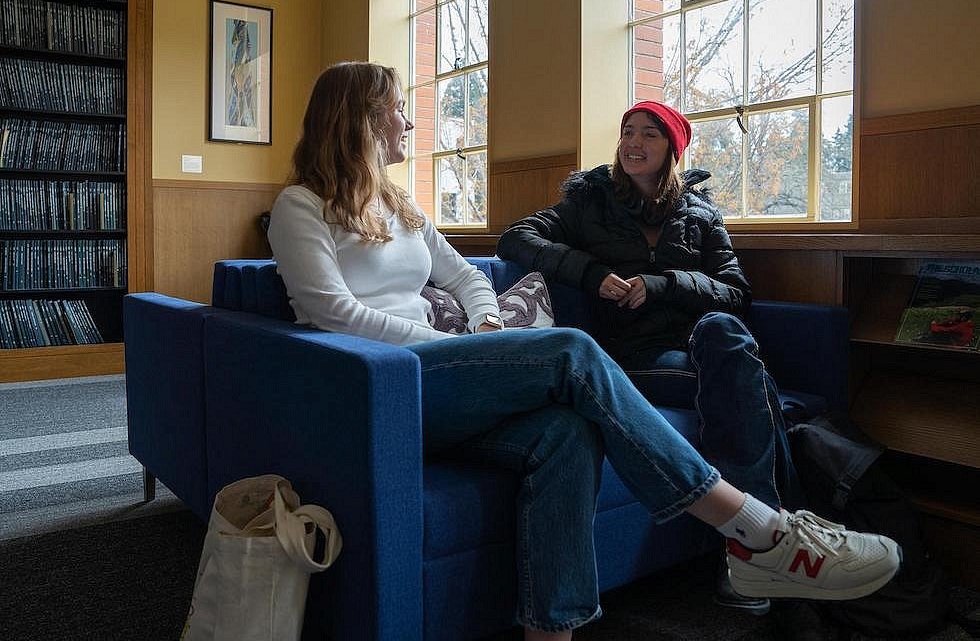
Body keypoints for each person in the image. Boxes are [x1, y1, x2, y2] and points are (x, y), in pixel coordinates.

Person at [267, 63, 900, 641]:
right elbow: (331, 313)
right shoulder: (299, 207)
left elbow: (467, 278)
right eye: (399, 108)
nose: (409, 120)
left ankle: (553, 632)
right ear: (362, 119)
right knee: (572, 348)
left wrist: (486, 321)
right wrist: (453, 343)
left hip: (446, 378)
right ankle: (760, 535)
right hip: (382, 385)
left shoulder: (401, 206)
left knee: (568, 432)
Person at [496, 100, 809, 615]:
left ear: (673, 150)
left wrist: (663, 285)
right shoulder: (588, 203)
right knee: (746, 385)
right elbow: (516, 239)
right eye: (627, 132)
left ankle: (754, 543)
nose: (633, 144)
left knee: (725, 334)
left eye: (649, 135)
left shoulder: (701, 214)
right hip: (631, 362)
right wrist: (592, 274)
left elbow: (736, 293)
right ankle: (761, 542)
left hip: (700, 351)